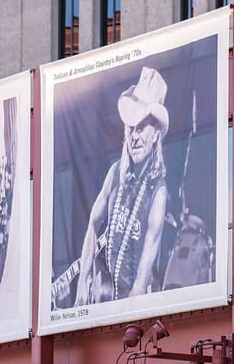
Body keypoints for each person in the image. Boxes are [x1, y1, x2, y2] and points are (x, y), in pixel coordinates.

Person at [74, 66, 169, 305]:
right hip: (103, 298)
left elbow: (148, 256)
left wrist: (130, 307)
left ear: (155, 133)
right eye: (130, 129)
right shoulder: (114, 173)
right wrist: (83, 282)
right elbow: (93, 224)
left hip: (133, 309)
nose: (135, 137)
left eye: (141, 128)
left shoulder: (158, 193)